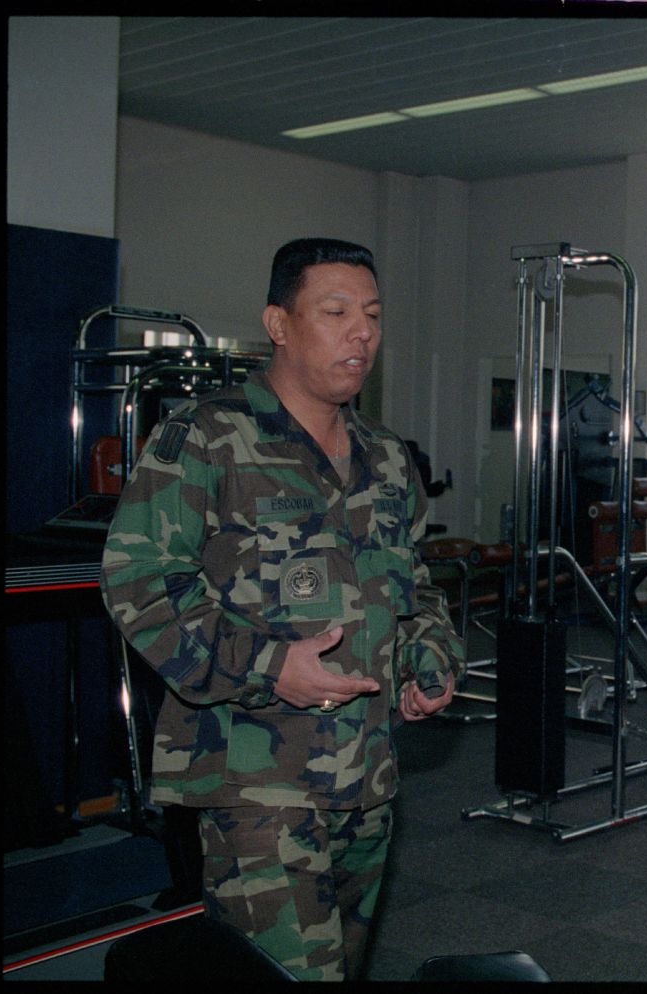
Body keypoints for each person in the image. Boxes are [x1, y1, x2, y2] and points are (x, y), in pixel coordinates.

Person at [101, 237, 462, 981]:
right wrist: (269, 666)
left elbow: (415, 584)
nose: (361, 331)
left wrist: (428, 656)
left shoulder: (387, 457)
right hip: (256, 785)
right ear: (279, 324)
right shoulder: (206, 438)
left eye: (371, 314)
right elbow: (138, 582)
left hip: (368, 778)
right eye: (334, 312)